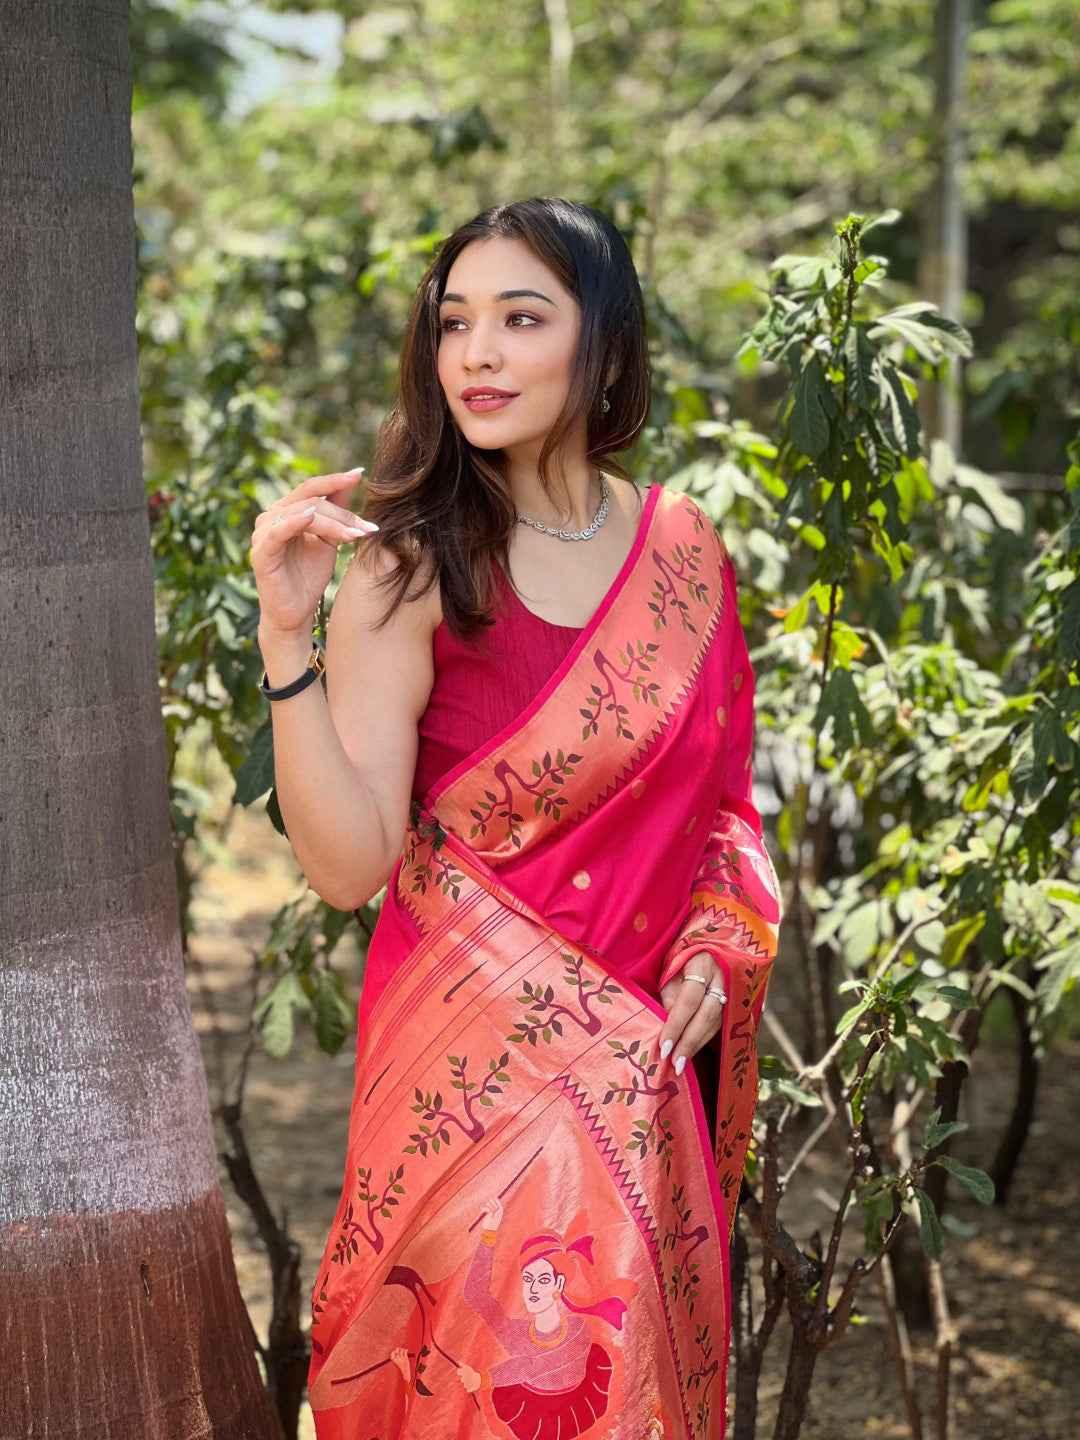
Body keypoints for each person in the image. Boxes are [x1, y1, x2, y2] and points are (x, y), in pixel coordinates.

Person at [248, 196, 782, 1439]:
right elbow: (347, 865)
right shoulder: (413, 562)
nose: (477, 354)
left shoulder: (684, 553)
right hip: (467, 1097)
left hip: (641, 1087)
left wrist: (720, 939)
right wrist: (289, 641)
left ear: (604, 344)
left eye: (521, 318)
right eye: (455, 323)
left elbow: (723, 809)